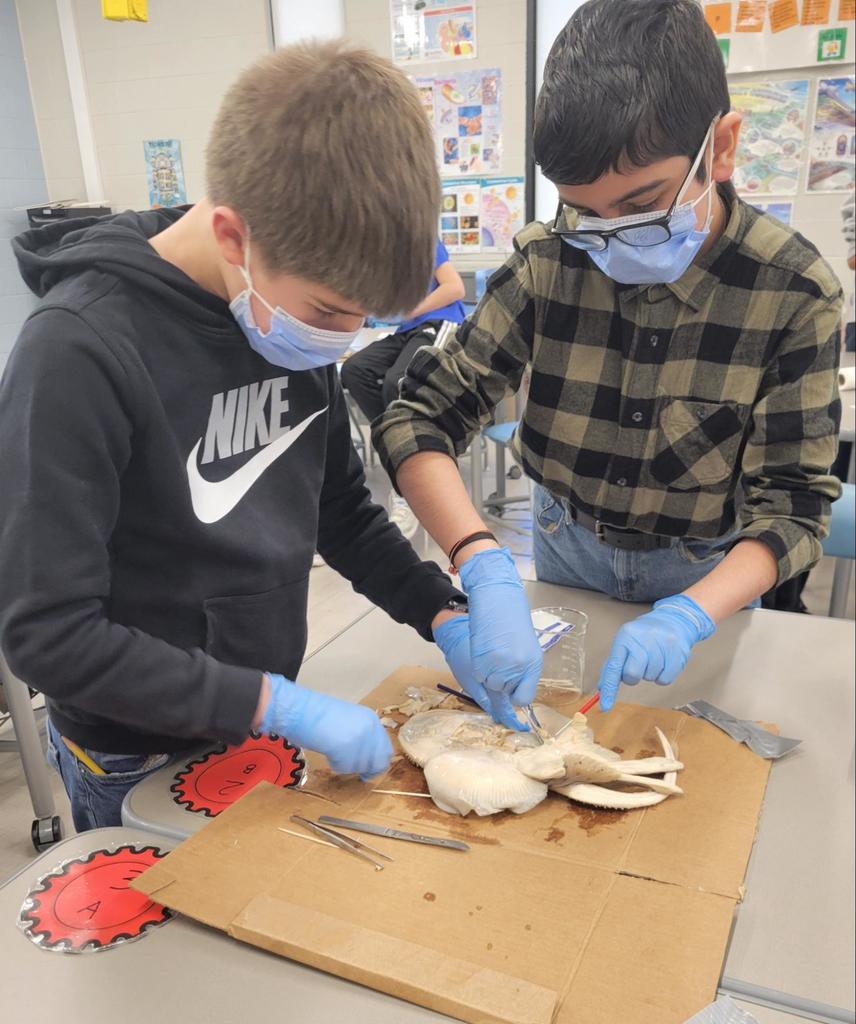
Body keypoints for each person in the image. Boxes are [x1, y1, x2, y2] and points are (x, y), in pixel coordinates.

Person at [0, 42, 506, 833]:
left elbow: (339, 510)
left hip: (255, 727)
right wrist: (271, 701)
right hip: (136, 753)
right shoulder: (78, 352)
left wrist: (444, 614)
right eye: (331, 315)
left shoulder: (283, 316)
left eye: (362, 321)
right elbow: (48, 634)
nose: (341, 342)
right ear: (235, 237)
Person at [373, 0, 842, 714]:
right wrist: (481, 558)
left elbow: (795, 507)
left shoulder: (792, 290)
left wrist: (691, 614)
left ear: (721, 148)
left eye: (643, 204)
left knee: (681, 758)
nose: (611, 235)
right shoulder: (549, 259)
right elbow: (420, 417)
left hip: (707, 577)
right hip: (565, 552)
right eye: (584, 213)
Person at [340, 239, 466, 538]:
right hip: (406, 331)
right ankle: (401, 450)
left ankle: (410, 482)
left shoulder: (420, 239)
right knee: (355, 370)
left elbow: (455, 288)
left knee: (399, 382)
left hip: (441, 322)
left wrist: (410, 310)